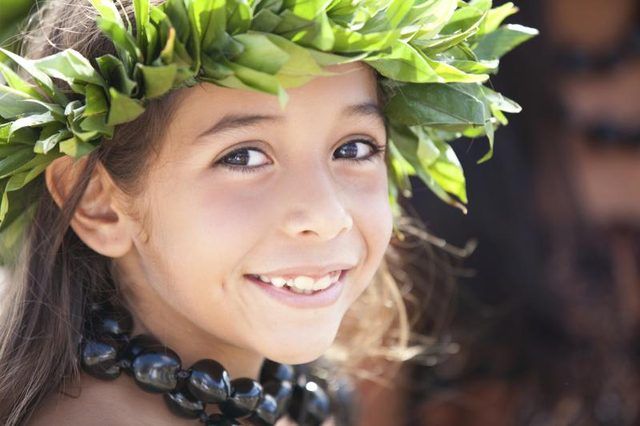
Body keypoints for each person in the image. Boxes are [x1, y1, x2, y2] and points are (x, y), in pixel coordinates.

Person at [0, 0, 534, 424]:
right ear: (101, 204)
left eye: (353, 149)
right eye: (244, 156)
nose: (326, 216)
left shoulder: (287, 393)